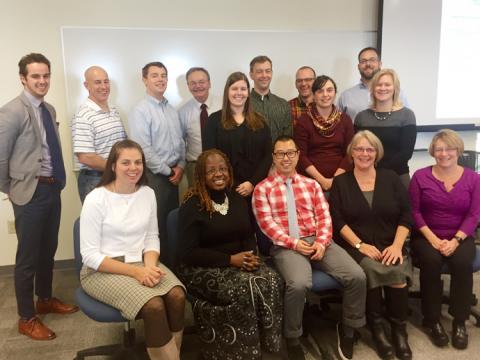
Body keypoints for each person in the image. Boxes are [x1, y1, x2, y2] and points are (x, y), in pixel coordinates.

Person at [253, 135, 366, 360]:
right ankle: (293, 337)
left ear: (297, 156)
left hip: (319, 240)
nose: (286, 158)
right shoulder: (262, 189)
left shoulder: (311, 184)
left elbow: (325, 217)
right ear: (274, 157)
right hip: (286, 245)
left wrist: (322, 242)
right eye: (280, 154)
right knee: (299, 284)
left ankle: (348, 330)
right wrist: (295, 243)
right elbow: (267, 226)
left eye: (290, 153)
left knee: (357, 276)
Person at [80, 140, 186, 360]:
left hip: (141, 262)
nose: (133, 167)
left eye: (138, 162)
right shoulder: (96, 199)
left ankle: (172, 355)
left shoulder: (147, 193)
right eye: (126, 162)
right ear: (113, 166)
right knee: (154, 305)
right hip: (102, 270)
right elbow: (90, 256)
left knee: (177, 295)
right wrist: (137, 273)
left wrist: (149, 266)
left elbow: (151, 238)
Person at [0, 53, 78, 341]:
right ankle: (26, 317)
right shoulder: (11, 112)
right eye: (35, 76)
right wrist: (12, 188)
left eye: (45, 75)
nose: (42, 81)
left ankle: (44, 298)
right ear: (23, 78)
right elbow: (0, 158)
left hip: (51, 187)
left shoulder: (50, 109)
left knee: (48, 250)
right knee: (28, 258)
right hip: (29, 193)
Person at [178, 149, 283, 359]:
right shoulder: (192, 204)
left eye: (223, 169)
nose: (219, 174)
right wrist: (230, 260)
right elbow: (188, 253)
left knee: (272, 280)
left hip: (238, 261)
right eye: (211, 170)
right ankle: (243, 351)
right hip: (202, 267)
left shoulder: (236, 198)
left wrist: (250, 255)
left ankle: (269, 346)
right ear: (200, 175)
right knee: (245, 289)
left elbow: (247, 234)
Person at [329, 130, 414, 360]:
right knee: (370, 268)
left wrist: (397, 246)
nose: (364, 153)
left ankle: (399, 331)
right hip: (355, 246)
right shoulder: (340, 182)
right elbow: (337, 222)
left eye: (369, 149)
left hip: (390, 243)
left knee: (396, 269)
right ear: (351, 153)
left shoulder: (391, 178)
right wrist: (360, 246)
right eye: (359, 149)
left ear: (376, 153)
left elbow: (407, 216)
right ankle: (377, 330)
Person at [409, 129, 480, 350]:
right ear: (433, 152)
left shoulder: (474, 179)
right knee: (430, 262)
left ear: (458, 150)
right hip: (427, 235)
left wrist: (456, 240)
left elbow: (474, 215)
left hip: (460, 235)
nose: (444, 153)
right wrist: (432, 238)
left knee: (461, 263)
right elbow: (414, 212)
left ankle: (460, 320)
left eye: (449, 148)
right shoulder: (420, 176)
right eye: (439, 149)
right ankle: (432, 320)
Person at [128, 61, 185, 267]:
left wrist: (180, 167)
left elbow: (180, 142)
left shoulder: (171, 110)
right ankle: (155, 270)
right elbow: (143, 149)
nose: (160, 79)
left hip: (174, 175)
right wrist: (169, 170)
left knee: (172, 224)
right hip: (155, 177)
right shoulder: (140, 111)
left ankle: (172, 268)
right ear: (145, 80)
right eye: (154, 75)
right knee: (156, 227)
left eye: (163, 75)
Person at [202, 71, 271, 200]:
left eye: (243, 89)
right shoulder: (214, 121)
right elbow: (208, 156)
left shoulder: (260, 121)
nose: (239, 93)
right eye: (234, 88)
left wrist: (252, 183)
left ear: (248, 93)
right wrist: (229, 183)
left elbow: (268, 156)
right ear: (227, 92)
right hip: (224, 188)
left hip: (255, 189)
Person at [72, 65, 127, 203]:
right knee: (100, 223)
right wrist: (115, 167)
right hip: (95, 180)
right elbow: (85, 157)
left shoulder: (113, 111)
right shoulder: (83, 115)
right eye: (97, 82)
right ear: (86, 85)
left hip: (115, 176)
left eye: (106, 81)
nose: (104, 86)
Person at [354, 69, 416, 188]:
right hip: (365, 177)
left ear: (395, 88)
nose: (383, 88)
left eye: (387, 84)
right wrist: (370, 171)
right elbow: (356, 150)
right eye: (378, 84)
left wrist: (378, 172)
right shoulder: (361, 117)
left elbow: (405, 153)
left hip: (397, 176)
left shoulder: (407, 115)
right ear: (373, 88)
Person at [294, 75, 354, 192]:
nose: (325, 95)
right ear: (314, 95)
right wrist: (322, 180)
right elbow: (300, 156)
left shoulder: (345, 120)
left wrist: (334, 180)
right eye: (320, 91)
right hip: (311, 182)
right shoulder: (304, 121)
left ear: (335, 93)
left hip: (341, 180)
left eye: (329, 90)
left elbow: (350, 153)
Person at [337, 47, 408, 121]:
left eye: (372, 60)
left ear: (380, 64)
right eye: (363, 61)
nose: (368, 64)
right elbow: (338, 125)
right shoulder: (346, 96)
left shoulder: (397, 93)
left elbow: (406, 121)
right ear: (358, 66)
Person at [178, 67, 221, 187]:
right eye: (193, 83)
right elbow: (180, 142)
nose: (198, 86)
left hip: (222, 164)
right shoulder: (183, 112)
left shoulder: (224, 105)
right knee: (198, 202)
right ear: (188, 86)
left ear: (209, 83)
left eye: (201, 82)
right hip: (195, 166)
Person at [249, 55, 292, 143]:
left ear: (271, 73)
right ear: (251, 75)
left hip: (278, 156)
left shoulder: (283, 105)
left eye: (267, 71)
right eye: (259, 71)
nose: (264, 75)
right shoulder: (243, 104)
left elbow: (288, 139)